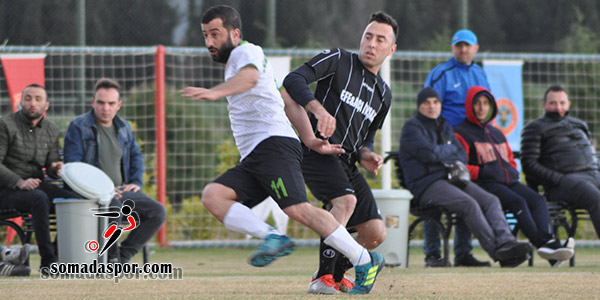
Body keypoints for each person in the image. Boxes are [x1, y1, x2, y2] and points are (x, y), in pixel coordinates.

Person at [179, 5, 383, 295]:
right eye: (205, 35)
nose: (210, 42)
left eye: (216, 34)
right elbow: (287, 100)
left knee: (298, 209)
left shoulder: (244, 53)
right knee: (214, 196)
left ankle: (364, 259)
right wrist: (310, 139)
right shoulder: (247, 59)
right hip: (258, 155)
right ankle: (272, 236)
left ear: (235, 34)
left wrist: (214, 92)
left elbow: (248, 79)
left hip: (273, 145)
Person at [281, 11, 397, 294]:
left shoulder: (384, 94)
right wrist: (317, 109)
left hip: (346, 160)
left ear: (391, 49)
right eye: (368, 36)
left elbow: (366, 137)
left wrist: (366, 154)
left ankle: (336, 272)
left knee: (375, 233)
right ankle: (323, 278)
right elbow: (293, 80)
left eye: (380, 40)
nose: (371, 43)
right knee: (345, 202)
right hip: (316, 149)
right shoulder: (338, 59)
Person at [398, 87, 532, 268]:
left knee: (490, 200)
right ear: (419, 105)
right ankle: (498, 252)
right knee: (468, 204)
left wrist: (442, 152)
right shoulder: (412, 128)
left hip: (451, 179)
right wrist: (448, 151)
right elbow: (428, 154)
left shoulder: (444, 126)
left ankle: (507, 242)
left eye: (436, 102)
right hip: (426, 184)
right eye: (426, 102)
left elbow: (461, 154)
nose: (432, 106)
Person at [454, 86, 574, 265]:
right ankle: (546, 244)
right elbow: (462, 167)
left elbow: (509, 159)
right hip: (484, 184)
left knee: (538, 200)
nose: (481, 108)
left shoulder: (497, 133)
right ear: (469, 106)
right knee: (518, 202)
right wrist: (485, 171)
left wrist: (510, 171)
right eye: (477, 103)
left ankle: (549, 245)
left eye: (486, 103)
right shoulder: (461, 133)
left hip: (508, 182)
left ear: (492, 106)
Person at [63, 78, 167, 264]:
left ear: (118, 105)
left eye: (111, 103)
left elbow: (136, 156)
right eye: (101, 102)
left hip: (119, 192)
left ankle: (121, 257)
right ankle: (109, 258)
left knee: (157, 211)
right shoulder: (78, 127)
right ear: (92, 102)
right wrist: (104, 190)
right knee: (114, 208)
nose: (106, 108)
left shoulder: (124, 128)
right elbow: (74, 166)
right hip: (89, 194)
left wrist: (135, 182)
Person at [422, 29, 491, 267]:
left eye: (467, 45)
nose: (463, 49)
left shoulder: (480, 74)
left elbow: (487, 108)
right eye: (458, 45)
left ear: (476, 48)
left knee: (467, 195)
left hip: (471, 147)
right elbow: (427, 109)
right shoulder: (441, 73)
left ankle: (463, 253)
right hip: (443, 147)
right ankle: (433, 254)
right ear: (452, 48)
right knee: (433, 197)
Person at [0, 83, 80, 273]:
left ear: (47, 105)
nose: (32, 103)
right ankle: (48, 261)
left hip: (37, 186)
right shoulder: (5, 125)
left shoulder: (51, 129)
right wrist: (19, 182)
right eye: (28, 99)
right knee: (39, 198)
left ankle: (58, 253)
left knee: (76, 202)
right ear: (21, 102)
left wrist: (55, 167)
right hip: (7, 189)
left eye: (38, 99)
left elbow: (52, 162)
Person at [521, 85, 600, 240]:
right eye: (553, 103)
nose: (558, 107)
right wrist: (557, 178)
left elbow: (590, 153)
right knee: (595, 197)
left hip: (592, 174)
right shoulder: (534, 128)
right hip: (563, 182)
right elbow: (529, 164)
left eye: (562, 103)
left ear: (568, 104)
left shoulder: (579, 125)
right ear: (544, 105)